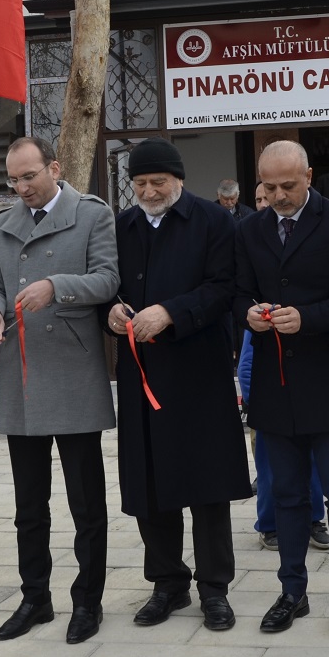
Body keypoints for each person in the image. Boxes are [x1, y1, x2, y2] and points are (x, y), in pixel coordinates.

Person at [105, 139, 251, 631]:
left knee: (206, 482)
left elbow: (224, 287)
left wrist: (170, 311)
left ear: (179, 180)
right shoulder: (120, 226)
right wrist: (112, 311)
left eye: (157, 183)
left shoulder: (212, 221)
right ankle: (167, 582)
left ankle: (215, 587)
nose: (148, 191)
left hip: (198, 369)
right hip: (142, 371)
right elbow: (107, 283)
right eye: (140, 184)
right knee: (151, 480)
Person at [0, 137, 119, 644]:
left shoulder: (91, 213)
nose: (21, 188)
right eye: (12, 180)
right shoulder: (1, 224)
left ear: (54, 168)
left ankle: (89, 600)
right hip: (24, 371)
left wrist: (57, 285)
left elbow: (107, 279)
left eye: (29, 177)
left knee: (86, 503)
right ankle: (35, 597)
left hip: (73, 368)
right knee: (28, 504)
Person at [236, 140, 329, 640]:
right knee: (287, 494)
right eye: (269, 187)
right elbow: (237, 292)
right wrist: (248, 314)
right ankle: (292, 591)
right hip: (275, 383)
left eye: (288, 186)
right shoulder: (249, 228)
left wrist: (308, 319)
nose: (278, 196)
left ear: (309, 176)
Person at [241, 329, 328, 551]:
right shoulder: (262, 311)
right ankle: (269, 525)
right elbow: (247, 364)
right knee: (270, 470)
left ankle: (313, 520)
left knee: (313, 466)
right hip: (270, 405)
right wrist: (256, 403)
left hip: (309, 400)